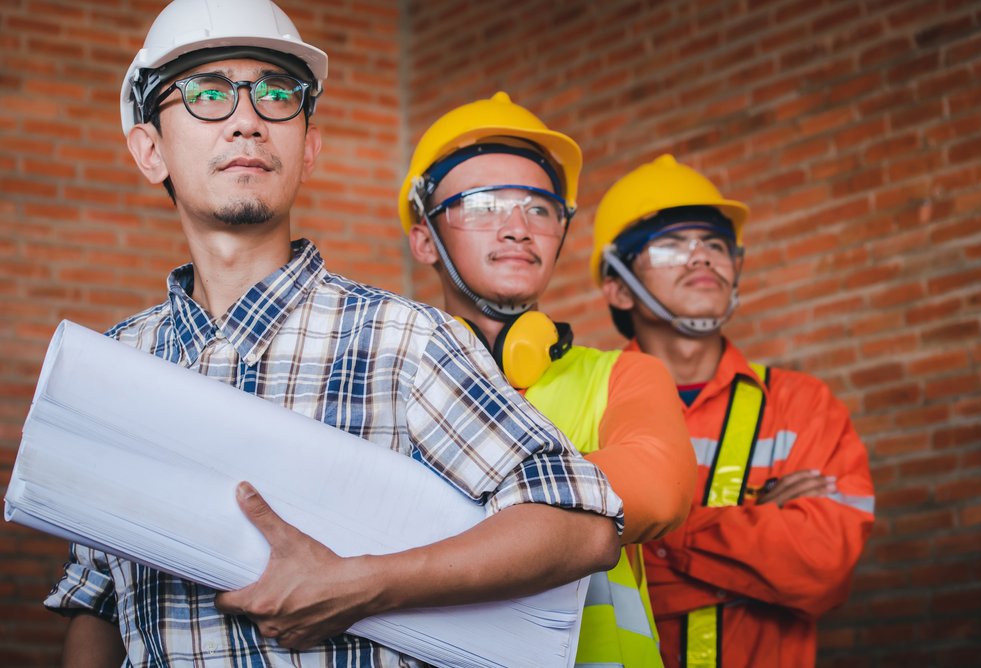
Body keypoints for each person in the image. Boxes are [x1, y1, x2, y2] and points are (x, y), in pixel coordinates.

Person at [43, 2, 626, 665]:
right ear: (150, 151)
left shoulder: (405, 343)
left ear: (308, 147)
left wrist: (367, 584)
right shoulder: (116, 369)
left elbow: (582, 528)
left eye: (276, 95)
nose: (247, 120)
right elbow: (97, 605)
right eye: (207, 93)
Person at [401, 93, 698, 666]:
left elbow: (659, 493)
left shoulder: (621, 374)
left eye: (540, 208)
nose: (518, 228)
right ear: (423, 238)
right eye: (483, 204)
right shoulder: (382, 378)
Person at [590, 154, 876, 667]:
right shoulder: (583, 403)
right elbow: (564, 580)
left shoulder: (803, 405)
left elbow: (824, 568)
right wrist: (756, 531)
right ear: (616, 287)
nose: (701, 258)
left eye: (716, 244)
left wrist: (644, 540)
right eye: (671, 245)